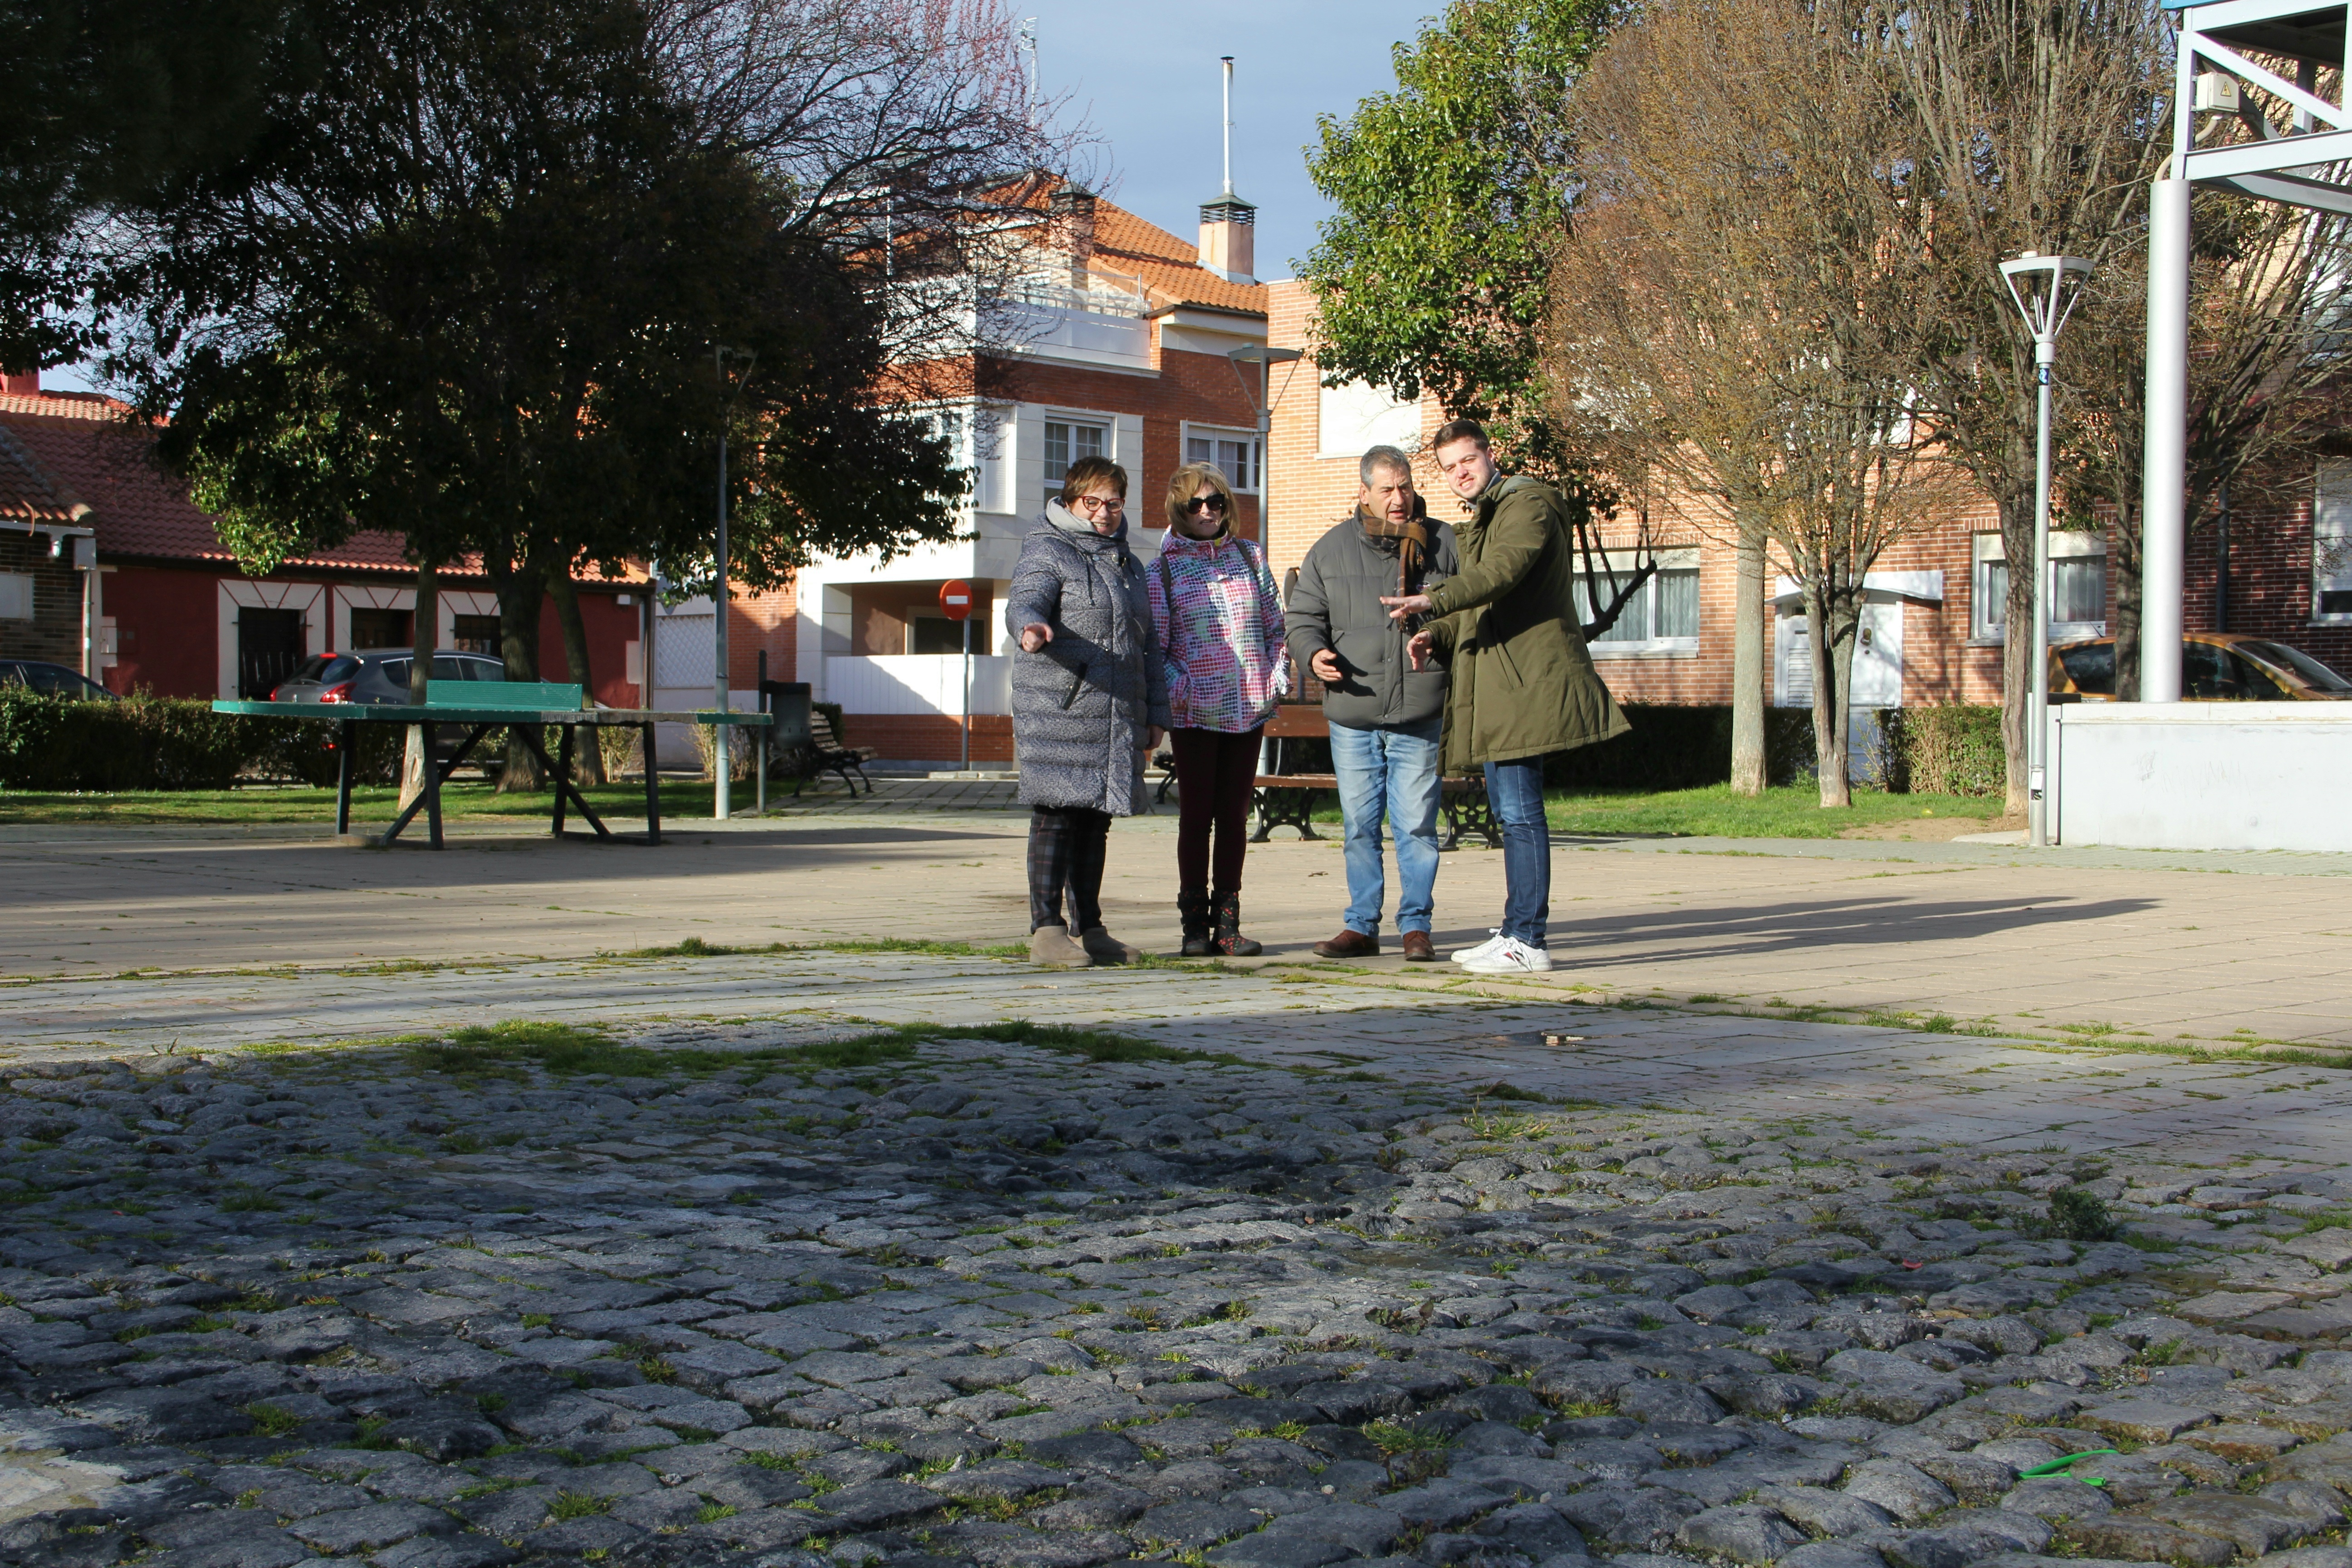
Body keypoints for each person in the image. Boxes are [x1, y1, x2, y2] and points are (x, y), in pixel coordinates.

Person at [1387, 419, 1629, 975]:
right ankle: (1517, 931)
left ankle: (1528, 939)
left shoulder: (1528, 505)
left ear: (1490, 455)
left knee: (1521, 815)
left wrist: (1432, 601)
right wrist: (1438, 635)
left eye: (1467, 460)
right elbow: (1482, 607)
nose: (1459, 474)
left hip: (1526, 684)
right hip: (1502, 684)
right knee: (1511, 814)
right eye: (1449, 468)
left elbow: (1501, 575)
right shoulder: (1488, 517)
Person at [1285, 445, 1460, 962]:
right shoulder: (1331, 549)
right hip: (1354, 712)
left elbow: (1468, 606)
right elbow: (1302, 619)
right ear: (1363, 493)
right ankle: (1361, 926)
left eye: (1404, 486)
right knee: (1360, 827)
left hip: (1418, 709)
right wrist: (1312, 654)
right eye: (1386, 489)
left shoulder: (1444, 543)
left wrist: (1439, 634)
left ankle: (1416, 928)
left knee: (1416, 825)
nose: (1399, 498)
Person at [1006, 456, 1171, 968]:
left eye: (1113, 503)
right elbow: (1023, 601)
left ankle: (1092, 928)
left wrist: (1154, 714)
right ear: (1072, 501)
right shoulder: (1048, 550)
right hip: (1060, 711)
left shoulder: (1127, 563)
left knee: (1095, 820)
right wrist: (1030, 628)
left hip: (1114, 714)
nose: (1104, 513)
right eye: (1092, 502)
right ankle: (1047, 930)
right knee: (1056, 815)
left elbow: (1148, 647)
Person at [1150, 462, 1288, 956]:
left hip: (1247, 707)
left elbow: (1277, 627)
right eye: (1196, 504)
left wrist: (1276, 676)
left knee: (1233, 816)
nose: (1207, 511)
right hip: (1194, 714)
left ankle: (1227, 925)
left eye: (1216, 502)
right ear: (1179, 510)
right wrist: (1180, 687)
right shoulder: (1162, 568)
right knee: (1196, 816)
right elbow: (1157, 648)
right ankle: (1193, 929)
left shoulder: (1250, 557)